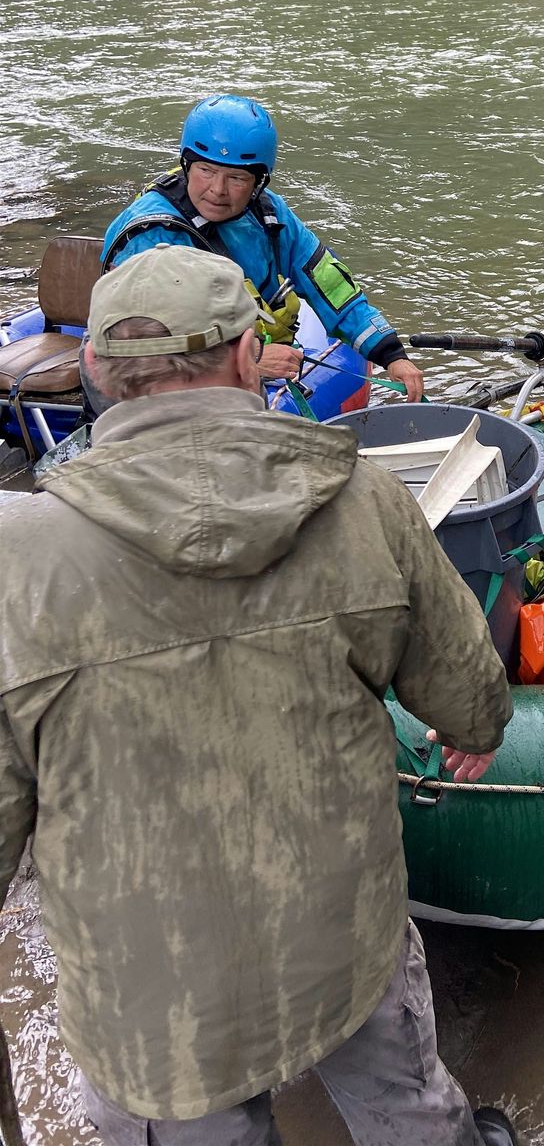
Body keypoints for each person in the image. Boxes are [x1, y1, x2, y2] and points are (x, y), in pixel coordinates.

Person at [0, 244, 516, 1146]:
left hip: (150, 1004)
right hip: (345, 940)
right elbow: (471, 702)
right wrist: (479, 729)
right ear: (248, 358)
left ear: (96, 372)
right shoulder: (366, 499)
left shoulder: (15, 556)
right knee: (411, 1113)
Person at [100, 93, 423, 399]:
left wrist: (392, 355)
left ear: (259, 182)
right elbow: (142, 349)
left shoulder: (268, 214)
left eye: (237, 179)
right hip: (170, 390)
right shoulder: (151, 237)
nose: (218, 190)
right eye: (206, 171)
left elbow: (330, 286)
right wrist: (247, 360)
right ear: (186, 166)